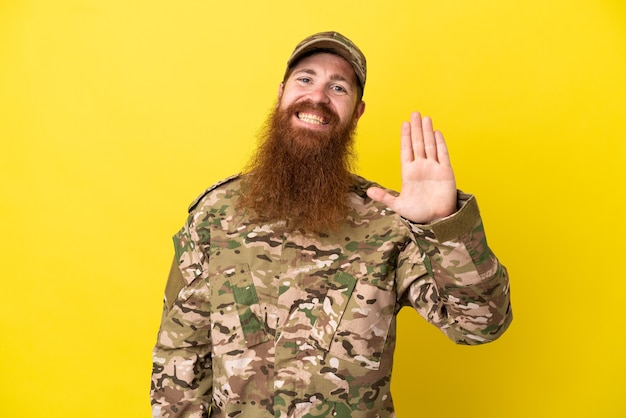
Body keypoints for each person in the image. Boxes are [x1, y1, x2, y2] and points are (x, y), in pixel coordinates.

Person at [150, 31, 512, 418]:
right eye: (305, 79)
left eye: (338, 87)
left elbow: (480, 326)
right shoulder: (215, 214)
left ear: (357, 113)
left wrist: (444, 226)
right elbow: (181, 351)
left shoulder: (389, 222)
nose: (318, 97)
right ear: (281, 94)